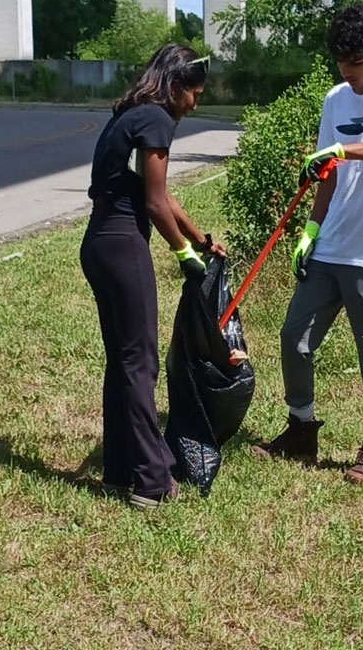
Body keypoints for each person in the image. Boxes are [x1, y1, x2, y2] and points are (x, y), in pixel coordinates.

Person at [253, 4, 363, 486]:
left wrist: (345, 149)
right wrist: (310, 230)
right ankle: (301, 429)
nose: (348, 72)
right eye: (341, 63)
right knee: (295, 337)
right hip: (331, 243)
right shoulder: (336, 99)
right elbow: (326, 173)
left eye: (357, 63)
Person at [80, 44, 225, 510]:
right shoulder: (157, 119)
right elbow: (154, 204)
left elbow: (162, 196)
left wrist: (200, 239)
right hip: (123, 244)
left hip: (99, 242)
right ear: (176, 86)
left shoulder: (133, 112)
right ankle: (151, 482)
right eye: (194, 94)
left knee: (123, 362)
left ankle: (120, 471)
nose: (195, 104)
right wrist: (184, 255)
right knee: (140, 363)